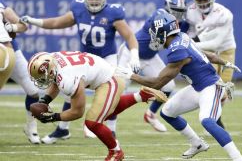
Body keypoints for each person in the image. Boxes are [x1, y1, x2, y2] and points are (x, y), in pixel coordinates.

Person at [115, 12, 242, 161]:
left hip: (211, 87)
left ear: (164, 33)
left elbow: (158, 83)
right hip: (198, 87)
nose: (154, 37)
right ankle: (197, 144)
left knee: (207, 120)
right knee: (167, 112)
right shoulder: (182, 37)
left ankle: (238, 158)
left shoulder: (178, 51)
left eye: (156, 33)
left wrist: (131, 75)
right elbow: (205, 54)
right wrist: (224, 62)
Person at [20, 0, 140, 143]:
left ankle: (111, 131)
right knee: (69, 92)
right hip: (85, 58)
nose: (95, 1)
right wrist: (34, 21)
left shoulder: (113, 13)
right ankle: (62, 130)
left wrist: (134, 55)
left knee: (110, 95)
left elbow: (129, 36)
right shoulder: (78, 9)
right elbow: (56, 23)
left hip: (106, 58)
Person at [27, 50, 167, 161]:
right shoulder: (53, 58)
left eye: (41, 77)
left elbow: (77, 112)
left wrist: (54, 117)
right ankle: (141, 95)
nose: (41, 80)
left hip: (111, 80)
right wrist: (45, 100)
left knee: (92, 122)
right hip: (105, 73)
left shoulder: (67, 79)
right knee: (105, 114)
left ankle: (116, 152)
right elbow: (56, 80)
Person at [117, 0, 187, 132]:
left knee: (168, 86)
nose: (178, 15)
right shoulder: (160, 16)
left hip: (150, 57)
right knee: (118, 90)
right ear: (167, 7)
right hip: (131, 53)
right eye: (175, 11)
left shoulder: (181, 24)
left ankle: (151, 114)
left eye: (180, 11)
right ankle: (102, 121)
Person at [186, 0, 237, 129]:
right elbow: (192, 34)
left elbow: (216, 43)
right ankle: (212, 119)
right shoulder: (191, 11)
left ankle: (216, 116)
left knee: (224, 90)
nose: (202, 3)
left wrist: (190, 45)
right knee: (212, 84)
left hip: (226, 49)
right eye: (199, 0)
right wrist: (190, 41)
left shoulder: (224, 14)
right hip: (207, 51)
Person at [0, 0, 42, 144]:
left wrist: (13, 27)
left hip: (9, 52)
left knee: (33, 91)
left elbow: (23, 26)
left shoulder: (1, 3)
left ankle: (31, 127)